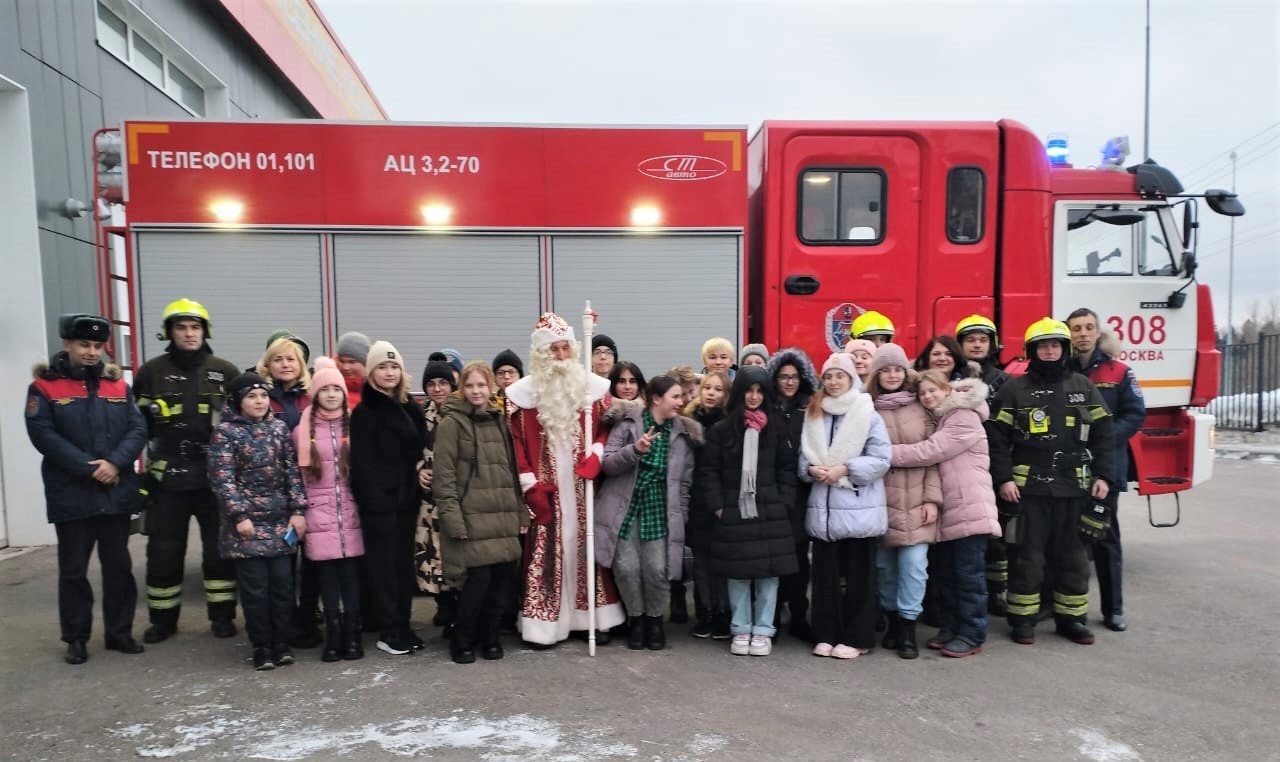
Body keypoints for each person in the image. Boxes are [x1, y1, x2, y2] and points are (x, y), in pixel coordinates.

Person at [26, 313, 148, 665]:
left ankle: (119, 633)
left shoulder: (118, 387)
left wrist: (115, 464)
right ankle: (76, 638)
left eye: (97, 346)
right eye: (84, 345)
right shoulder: (44, 388)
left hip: (115, 491)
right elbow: (43, 435)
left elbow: (137, 431)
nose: (92, 352)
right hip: (72, 494)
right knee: (74, 570)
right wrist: (89, 469)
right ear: (67, 345)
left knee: (119, 567)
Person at [989, 318, 1115, 646]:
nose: (1049, 350)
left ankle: (1071, 620)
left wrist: (1104, 476)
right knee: (1027, 557)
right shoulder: (1015, 388)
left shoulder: (1082, 386)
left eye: (1055, 345)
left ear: (1064, 348)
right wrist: (1003, 478)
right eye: (1043, 345)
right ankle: (1022, 620)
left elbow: (1104, 435)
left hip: (1074, 488)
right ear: (1032, 350)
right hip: (1028, 488)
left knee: (1073, 558)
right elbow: (997, 438)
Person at [506, 313, 625, 646]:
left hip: (584, 487)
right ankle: (546, 623)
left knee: (587, 545)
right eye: (553, 350)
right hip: (548, 489)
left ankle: (593, 619)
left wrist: (597, 455)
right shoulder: (520, 396)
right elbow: (515, 443)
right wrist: (531, 486)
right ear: (541, 356)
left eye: (564, 349)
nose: (560, 356)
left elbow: (607, 430)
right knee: (548, 552)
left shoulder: (594, 390)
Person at [133, 298, 242, 643]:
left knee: (219, 550)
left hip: (214, 476)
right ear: (169, 332)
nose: (189, 333)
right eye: (181, 327)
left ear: (205, 331)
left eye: (195, 327)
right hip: (168, 477)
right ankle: (163, 620)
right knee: (164, 551)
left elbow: (243, 424)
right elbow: (134, 427)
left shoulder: (225, 371)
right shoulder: (151, 372)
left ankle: (222, 617)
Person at [890, 370, 1002, 658]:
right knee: (952, 575)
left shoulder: (963, 416)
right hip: (954, 509)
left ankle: (972, 633)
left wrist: (885, 453)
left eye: (933, 391)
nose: (928, 397)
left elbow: (930, 451)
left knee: (969, 576)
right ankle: (954, 628)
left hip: (970, 507)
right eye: (923, 393)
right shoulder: (944, 418)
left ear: (946, 389)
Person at [208, 372, 308, 670]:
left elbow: (292, 472)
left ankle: (282, 643)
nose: (259, 401)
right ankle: (262, 647)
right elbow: (222, 478)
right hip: (247, 527)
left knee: (282, 586)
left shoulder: (278, 429)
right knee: (255, 591)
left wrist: (298, 510)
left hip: (280, 524)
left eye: (263, 395)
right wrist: (239, 515)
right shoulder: (225, 433)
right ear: (238, 400)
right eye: (252, 396)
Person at [700, 366, 798, 657]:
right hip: (734, 509)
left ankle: (764, 629)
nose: (754, 397)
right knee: (738, 573)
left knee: (769, 574)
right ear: (740, 392)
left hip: (771, 511)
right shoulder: (722, 429)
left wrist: (784, 502)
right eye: (749, 390)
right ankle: (741, 627)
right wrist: (718, 506)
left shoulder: (777, 427)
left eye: (759, 391)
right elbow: (709, 471)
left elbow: (788, 468)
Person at [434, 362, 527, 664]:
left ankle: (490, 638)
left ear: (491, 388)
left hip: (501, 517)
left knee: (500, 587)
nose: (476, 391)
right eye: (470, 386)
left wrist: (521, 515)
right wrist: (452, 519)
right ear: (463, 389)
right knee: (476, 585)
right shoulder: (452, 423)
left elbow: (511, 472)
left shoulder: (501, 421)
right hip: (471, 519)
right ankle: (462, 640)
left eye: (482, 385)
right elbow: (444, 476)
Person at [596, 375, 698, 650]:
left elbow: (685, 482)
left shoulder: (682, 433)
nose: (681, 402)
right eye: (675, 397)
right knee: (627, 568)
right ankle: (636, 620)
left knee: (656, 569)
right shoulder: (628, 424)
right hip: (624, 507)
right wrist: (635, 450)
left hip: (659, 509)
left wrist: (682, 514)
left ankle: (654, 620)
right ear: (656, 399)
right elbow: (607, 464)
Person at [799, 354, 890, 660]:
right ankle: (826, 633)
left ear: (851, 379)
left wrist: (845, 469)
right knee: (824, 577)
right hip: (823, 511)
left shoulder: (867, 412)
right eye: (829, 376)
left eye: (840, 376)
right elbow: (803, 455)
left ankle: (858, 636)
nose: (834, 382)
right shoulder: (814, 412)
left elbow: (881, 458)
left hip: (857, 509)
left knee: (859, 578)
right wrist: (811, 469)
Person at [1067, 307, 1145, 632]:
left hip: (1104, 467)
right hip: (1068, 469)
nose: (1083, 334)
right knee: (1066, 541)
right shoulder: (1060, 370)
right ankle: (1064, 607)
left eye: (1088, 327)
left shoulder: (1120, 372)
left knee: (1105, 538)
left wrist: (1105, 437)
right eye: (1076, 329)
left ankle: (1113, 609)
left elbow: (1135, 413)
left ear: (1098, 332)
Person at [350, 341, 427, 656]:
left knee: (402, 568)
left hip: (407, 501)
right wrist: (376, 503)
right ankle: (389, 629)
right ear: (371, 372)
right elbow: (363, 465)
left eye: (394, 366)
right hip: (380, 505)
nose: (389, 372)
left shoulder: (410, 406)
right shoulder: (365, 412)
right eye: (382, 367)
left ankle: (403, 624)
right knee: (384, 569)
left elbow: (419, 448)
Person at [866, 343, 940, 659]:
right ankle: (892, 619)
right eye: (885, 369)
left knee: (914, 566)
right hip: (881, 501)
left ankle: (908, 626)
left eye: (897, 368)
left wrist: (933, 500)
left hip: (918, 500)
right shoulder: (867, 409)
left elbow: (935, 457)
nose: (892, 375)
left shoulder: (921, 408)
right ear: (877, 374)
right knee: (885, 567)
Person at [293, 358, 365, 662]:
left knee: (351, 578)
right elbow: (297, 476)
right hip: (318, 512)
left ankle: (353, 635)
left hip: (350, 510)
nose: (333, 394)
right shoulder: (303, 429)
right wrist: (301, 511)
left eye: (337, 388)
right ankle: (333, 635)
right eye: (326, 389)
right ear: (316, 393)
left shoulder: (355, 423)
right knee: (327, 580)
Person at [955, 314, 1011, 616]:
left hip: (992, 464)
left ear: (992, 344)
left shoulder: (1004, 381)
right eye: (970, 339)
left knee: (996, 535)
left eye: (982, 339)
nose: (977, 344)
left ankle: (996, 591)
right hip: (962, 467)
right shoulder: (952, 378)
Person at [767, 347, 820, 643]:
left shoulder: (811, 409)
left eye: (794, 376)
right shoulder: (766, 409)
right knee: (774, 559)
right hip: (772, 493)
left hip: (802, 494)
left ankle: (799, 616)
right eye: (783, 376)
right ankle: (772, 616)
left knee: (800, 560)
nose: (789, 382)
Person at [682, 370, 731, 638]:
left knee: (720, 561)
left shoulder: (730, 424)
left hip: (721, 501)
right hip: (697, 502)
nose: (711, 393)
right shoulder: (689, 422)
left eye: (718, 389)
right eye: (707, 388)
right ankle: (705, 613)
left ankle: (723, 613)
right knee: (700, 561)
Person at [415, 358, 459, 631]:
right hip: (429, 501)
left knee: (455, 552)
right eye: (431, 383)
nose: (437, 388)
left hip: (456, 496)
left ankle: (457, 605)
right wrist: (418, 469)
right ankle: (442, 604)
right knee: (431, 552)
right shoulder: (419, 415)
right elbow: (407, 450)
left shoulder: (460, 413)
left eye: (443, 382)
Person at [257, 335, 311, 431]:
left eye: (291, 359)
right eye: (278, 360)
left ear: (301, 364)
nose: (285, 365)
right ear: (267, 365)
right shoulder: (261, 398)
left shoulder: (312, 397)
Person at [335, 332, 372, 409]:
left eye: (352, 362)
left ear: (366, 363)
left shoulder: (379, 389)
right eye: (342, 361)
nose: (346, 367)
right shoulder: (324, 387)